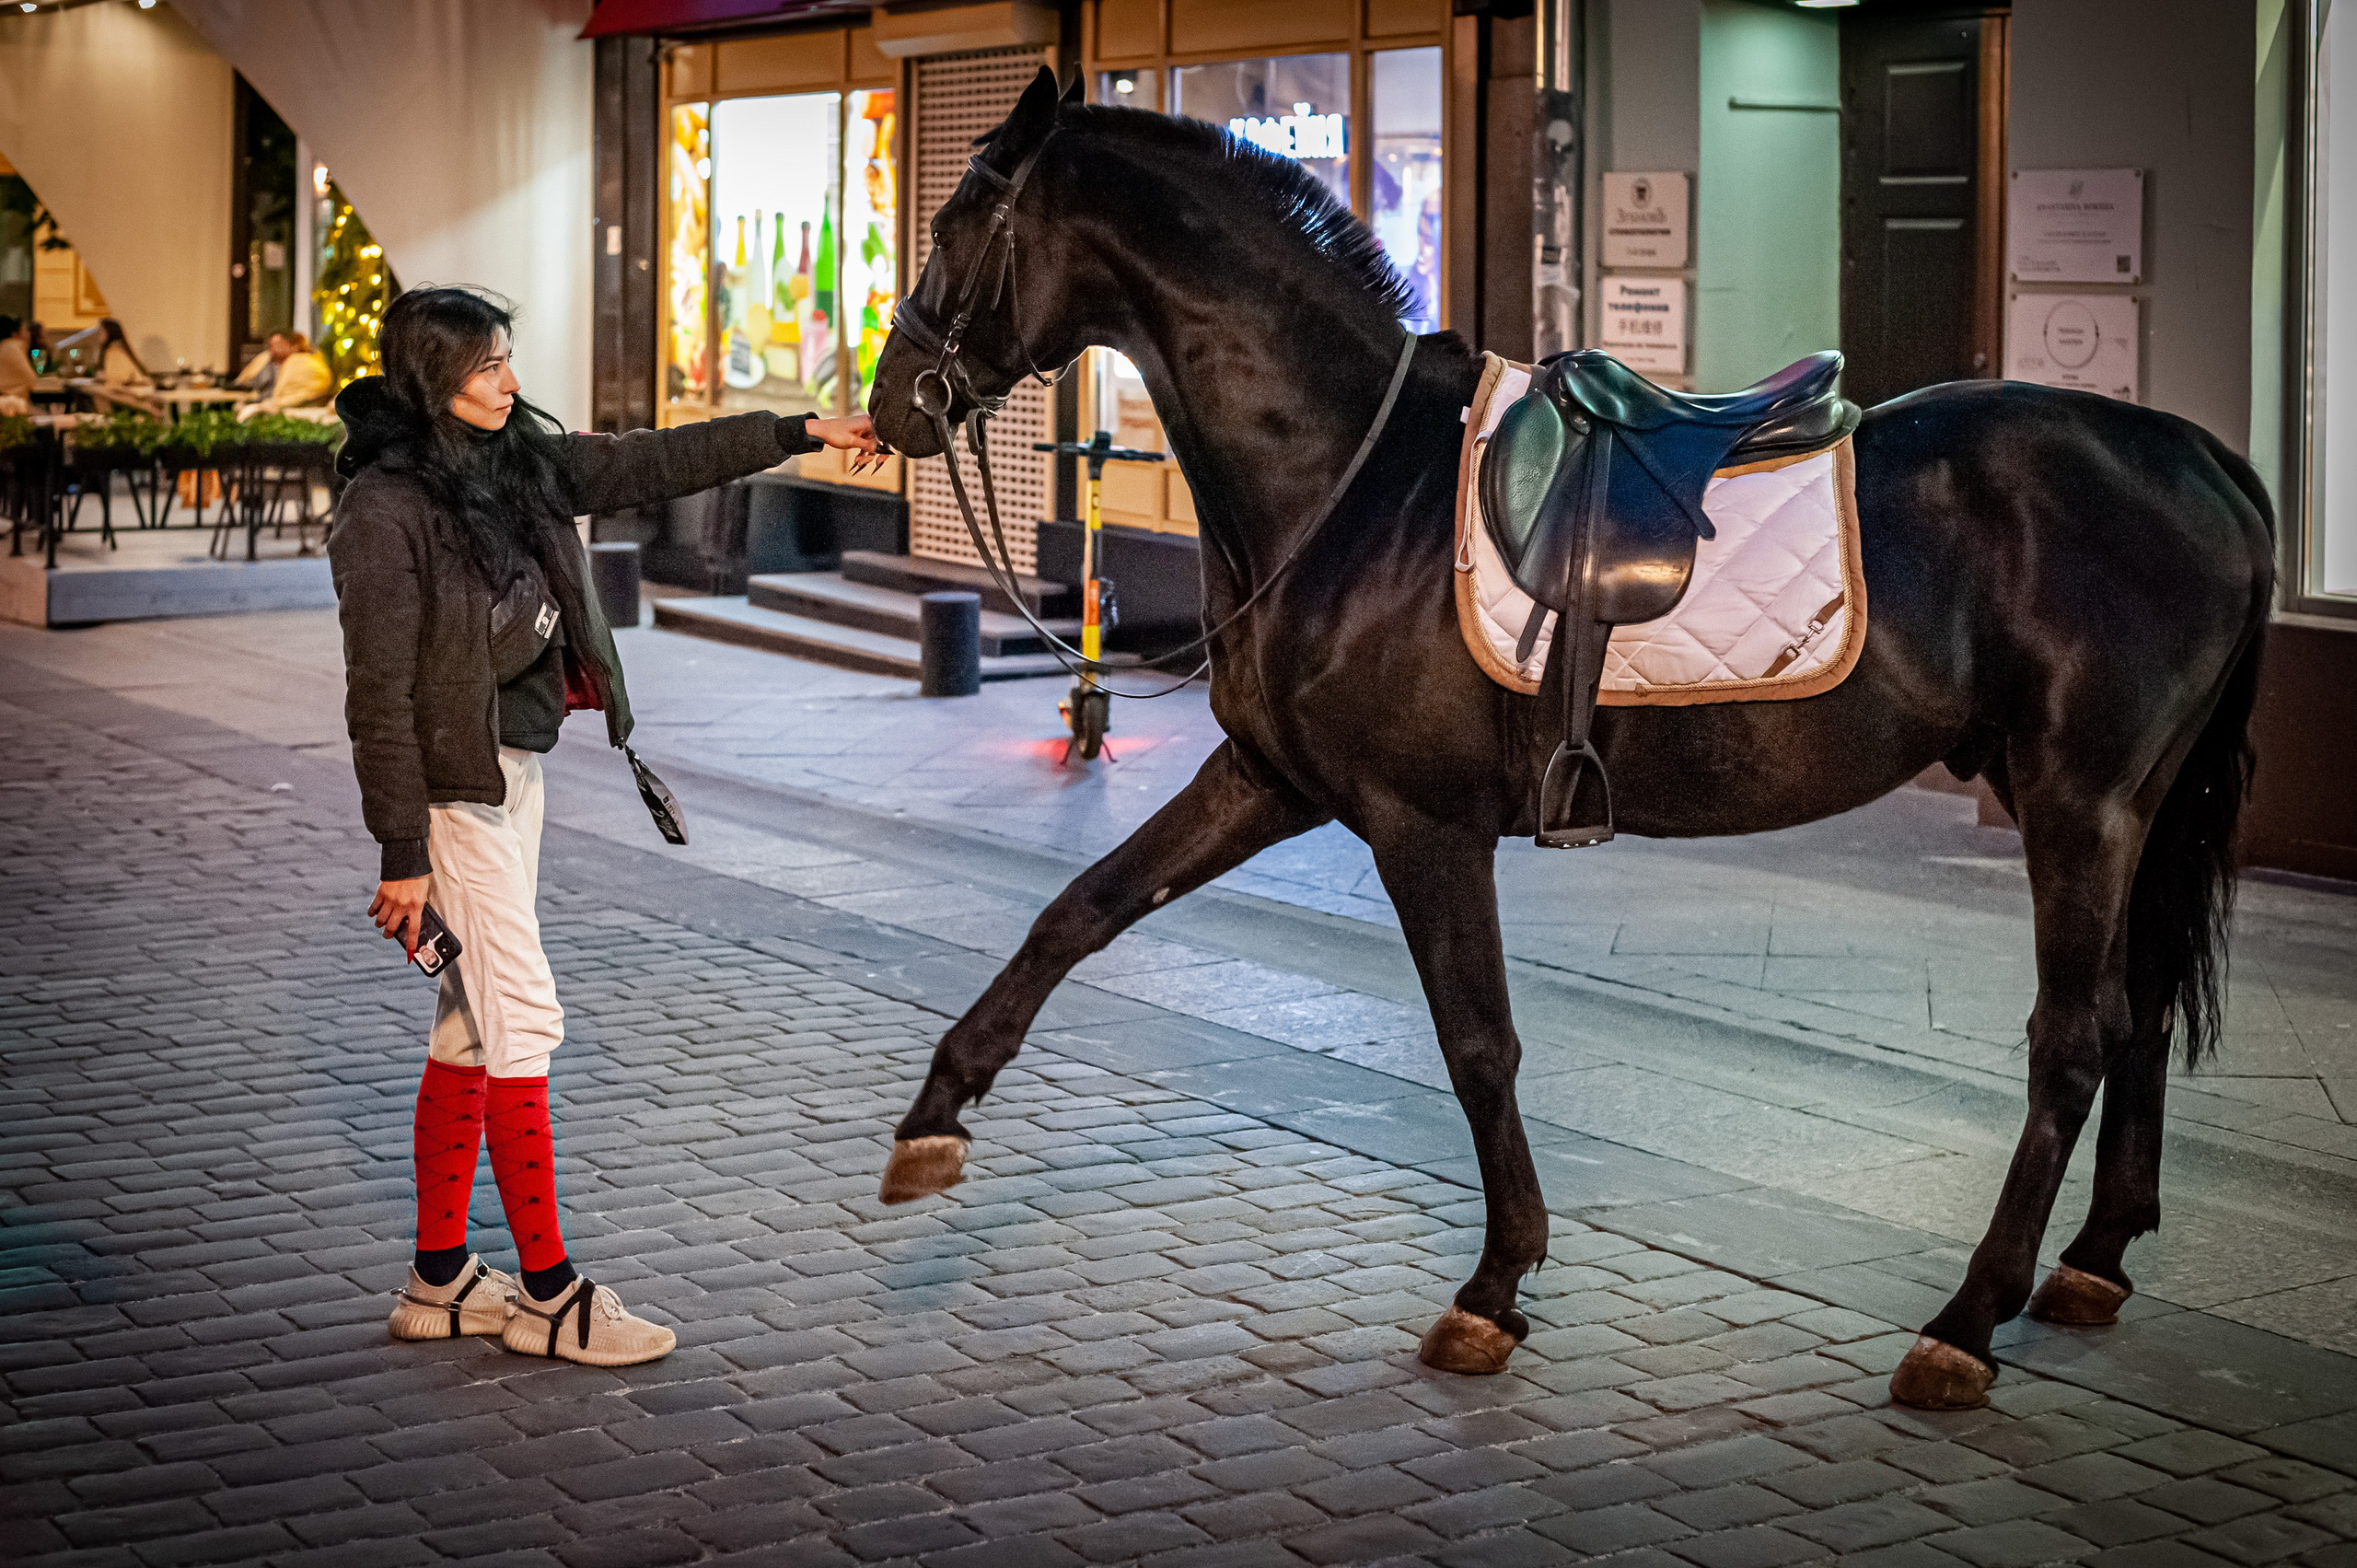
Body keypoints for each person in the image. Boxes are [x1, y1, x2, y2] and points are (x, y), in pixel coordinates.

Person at [332, 285, 880, 1366]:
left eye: (505, 360)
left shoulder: (517, 459)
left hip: (513, 765)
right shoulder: (383, 509)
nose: (510, 381)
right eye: (488, 367)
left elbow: (647, 461)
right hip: (454, 793)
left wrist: (800, 429)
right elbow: (377, 694)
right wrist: (402, 855)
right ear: (435, 377)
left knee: (474, 1023)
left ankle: (440, 1277)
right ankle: (548, 1293)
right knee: (523, 1018)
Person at [235, 331, 333, 419]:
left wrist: (271, 404)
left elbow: (299, 393)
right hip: (261, 398)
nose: (273, 348)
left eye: (278, 344)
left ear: (292, 346)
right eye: (271, 345)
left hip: (299, 404)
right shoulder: (267, 360)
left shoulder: (299, 362)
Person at [97, 318, 152, 387]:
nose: (98, 335)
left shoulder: (115, 351)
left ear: (110, 332)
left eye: (100, 332)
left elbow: (119, 378)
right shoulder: (119, 348)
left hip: (134, 393)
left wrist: (101, 376)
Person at [0, 316, 33, 401]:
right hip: (9, 404)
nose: (28, 334)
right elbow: (30, 380)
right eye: (25, 330)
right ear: (15, 334)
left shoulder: (6, 346)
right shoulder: (12, 347)